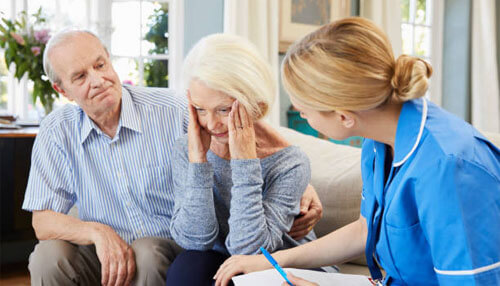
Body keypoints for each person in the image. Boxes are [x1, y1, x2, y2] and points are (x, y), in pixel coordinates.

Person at [22, 29, 323, 286]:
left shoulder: (174, 108)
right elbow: (42, 221)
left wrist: (301, 184)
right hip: (107, 249)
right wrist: (97, 232)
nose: (98, 79)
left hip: (166, 246)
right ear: (62, 89)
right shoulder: (56, 131)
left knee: (148, 251)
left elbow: (241, 125)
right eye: (80, 76)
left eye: (100, 65)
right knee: (48, 257)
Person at [214, 17, 500, 286]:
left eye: (304, 110)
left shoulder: (450, 167)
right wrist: (270, 261)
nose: (300, 113)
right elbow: (365, 230)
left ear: (343, 116)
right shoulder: (377, 141)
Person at [165, 33, 318, 285]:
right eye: (201, 110)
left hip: (281, 263)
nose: (211, 124)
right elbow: (193, 240)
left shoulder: (290, 162)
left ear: (254, 104)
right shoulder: (187, 148)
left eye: (223, 110)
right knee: (188, 267)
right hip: (223, 258)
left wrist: (245, 163)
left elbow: (250, 250)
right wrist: (198, 161)